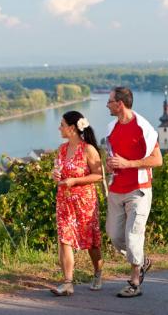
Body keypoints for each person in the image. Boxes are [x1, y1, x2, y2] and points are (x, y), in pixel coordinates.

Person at [105, 86, 162, 298]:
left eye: (110, 101)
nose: (107, 105)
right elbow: (112, 156)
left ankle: (135, 282)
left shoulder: (143, 128)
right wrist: (110, 164)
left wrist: (128, 164)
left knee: (133, 236)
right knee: (115, 236)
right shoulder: (111, 127)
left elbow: (157, 160)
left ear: (120, 104)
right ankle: (141, 260)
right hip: (116, 189)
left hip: (139, 190)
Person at [51, 110, 103, 296]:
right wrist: (55, 174)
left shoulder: (88, 149)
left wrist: (75, 181)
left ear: (72, 128)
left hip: (85, 201)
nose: (59, 128)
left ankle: (97, 272)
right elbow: (58, 170)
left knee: (91, 242)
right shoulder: (62, 149)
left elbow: (98, 175)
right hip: (64, 200)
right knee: (64, 238)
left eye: (62, 125)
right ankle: (67, 283)